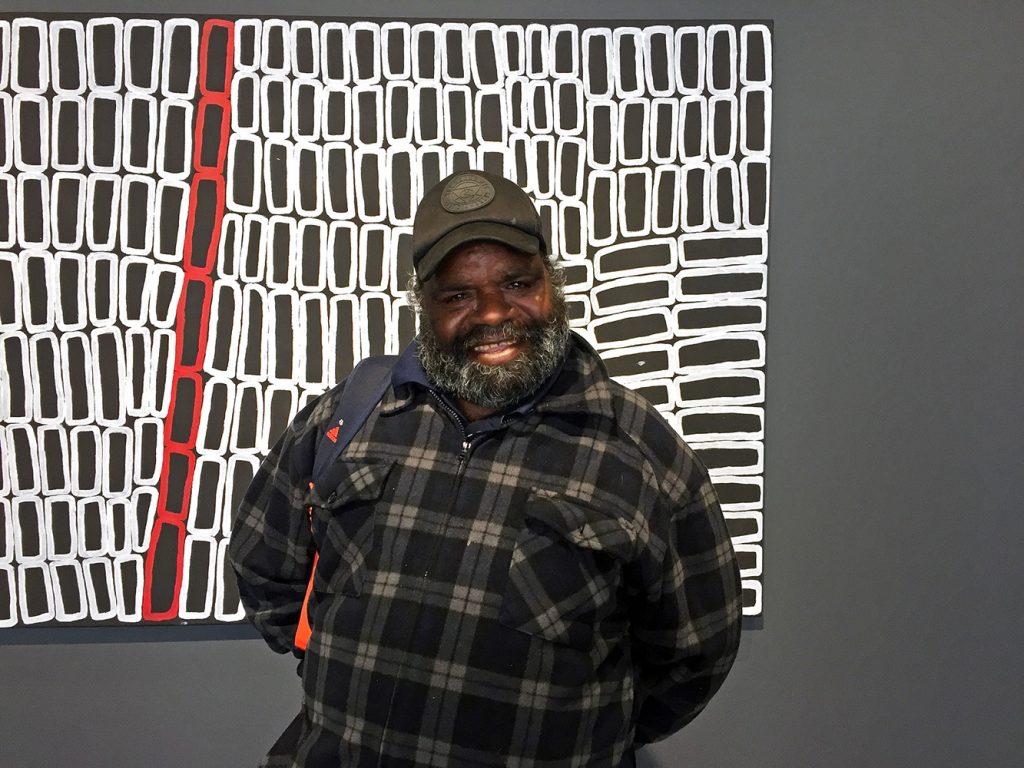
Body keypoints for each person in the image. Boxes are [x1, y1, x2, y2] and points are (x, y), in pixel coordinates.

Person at [229, 171, 742, 767]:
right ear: (422, 302)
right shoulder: (353, 412)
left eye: (516, 282)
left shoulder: (639, 452)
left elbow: (692, 655)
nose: (493, 313)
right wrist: (343, 664)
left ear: (551, 281)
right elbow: (265, 564)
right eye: (457, 295)